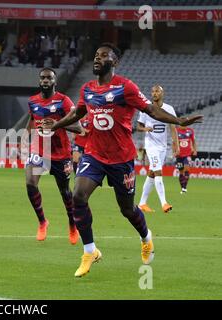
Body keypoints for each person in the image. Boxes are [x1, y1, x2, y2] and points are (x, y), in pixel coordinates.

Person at [41, 43, 202, 277]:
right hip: (94, 155)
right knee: (78, 195)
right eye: (96, 55)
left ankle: (146, 238)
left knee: (127, 209)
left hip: (121, 158)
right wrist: (55, 125)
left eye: (103, 56)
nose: (97, 58)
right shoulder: (87, 89)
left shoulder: (125, 87)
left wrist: (179, 121)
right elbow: (77, 114)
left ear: (114, 62)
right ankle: (90, 251)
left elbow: (151, 110)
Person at [24, 67, 83, 246]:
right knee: (30, 183)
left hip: (60, 154)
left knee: (65, 192)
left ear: (54, 81)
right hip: (39, 151)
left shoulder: (63, 101)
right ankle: (42, 222)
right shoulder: (33, 101)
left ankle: (73, 225)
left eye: (49, 78)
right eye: (42, 78)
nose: (45, 80)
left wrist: (57, 124)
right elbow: (32, 121)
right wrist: (26, 139)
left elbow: (79, 128)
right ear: (39, 81)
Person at [137, 85, 178, 214]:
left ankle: (142, 203)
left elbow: (173, 127)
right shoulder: (146, 108)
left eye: (157, 91)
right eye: (153, 91)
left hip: (162, 147)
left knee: (152, 174)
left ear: (162, 93)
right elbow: (138, 126)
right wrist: (145, 129)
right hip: (151, 146)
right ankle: (164, 203)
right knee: (158, 172)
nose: (154, 94)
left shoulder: (169, 109)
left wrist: (175, 143)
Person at [175, 126, 197, 194]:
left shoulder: (190, 130)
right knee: (181, 172)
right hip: (179, 156)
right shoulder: (176, 131)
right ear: (180, 124)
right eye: (183, 124)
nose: (185, 126)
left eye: (186, 124)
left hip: (187, 155)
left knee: (187, 169)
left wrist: (195, 150)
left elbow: (193, 141)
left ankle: (184, 188)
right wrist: (174, 152)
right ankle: (182, 188)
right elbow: (173, 142)